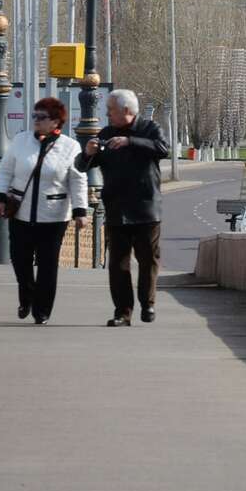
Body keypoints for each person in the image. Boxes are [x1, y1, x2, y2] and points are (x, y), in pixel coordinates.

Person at [0, 97, 88, 324]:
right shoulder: (20, 141)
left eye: (42, 117)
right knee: (20, 261)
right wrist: (0, 198)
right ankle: (27, 295)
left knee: (47, 265)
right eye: (35, 116)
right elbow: (4, 172)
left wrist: (80, 211)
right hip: (20, 213)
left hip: (53, 216)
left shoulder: (70, 147)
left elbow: (78, 180)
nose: (36, 121)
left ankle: (42, 310)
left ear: (56, 121)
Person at [80, 89, 170, 326]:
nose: (107, 114)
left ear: (126, 111)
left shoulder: (149, 129)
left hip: (145, 207)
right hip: (116, 207)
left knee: (148, 258)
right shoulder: (107, 133)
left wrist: (130, 142)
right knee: (118, 264)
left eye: (111, 110)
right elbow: (82, 166)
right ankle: (122, 312)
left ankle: (148, 304)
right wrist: (88, 153)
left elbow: (163, 148)